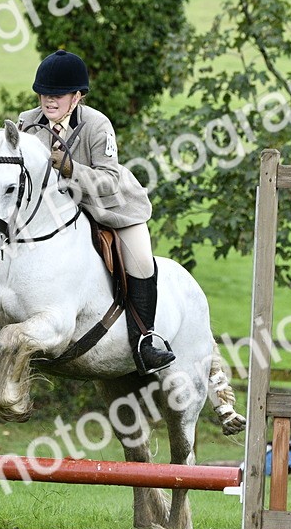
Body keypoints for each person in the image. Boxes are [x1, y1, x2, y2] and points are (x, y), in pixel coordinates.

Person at [16, 49, 174, 374]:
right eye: (45, 93)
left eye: (58, 95)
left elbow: (110, 181)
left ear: (77, 96)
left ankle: (146, 341)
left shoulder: (97, 125)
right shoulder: (27, 123)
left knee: (142, 262)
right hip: (59, 212)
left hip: (112, 210)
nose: (49, 100)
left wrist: (72, 168)